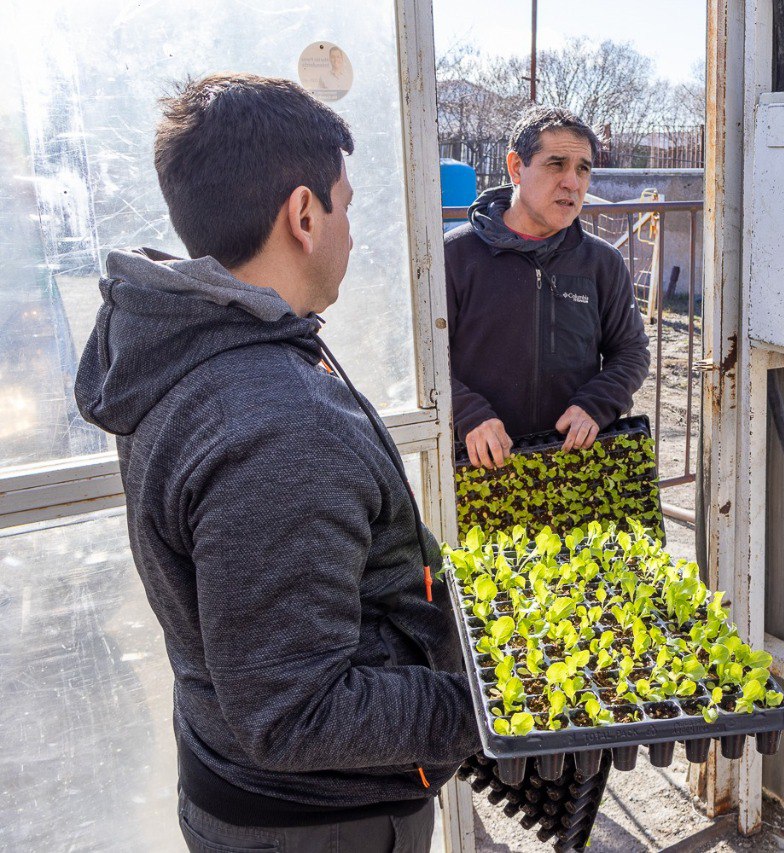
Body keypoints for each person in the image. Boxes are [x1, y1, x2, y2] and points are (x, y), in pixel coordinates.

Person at [74, 73, 479, 852]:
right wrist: (477, 707)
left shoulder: (186, 341)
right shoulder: (276, 424)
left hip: (239, 783)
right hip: (322, 822)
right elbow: (296, 711)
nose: (352, 232)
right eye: (347, 205)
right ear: (303, 214)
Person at [445, 105, 650, 469]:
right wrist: (468, 414)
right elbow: (423, 363)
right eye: (556, 164)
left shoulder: (602, 263)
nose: (572, 182)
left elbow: (631, 352)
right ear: (515, 167)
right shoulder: (454, 257)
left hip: (573, 466)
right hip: (477, 466)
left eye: (583, 169)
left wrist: (595, 404)